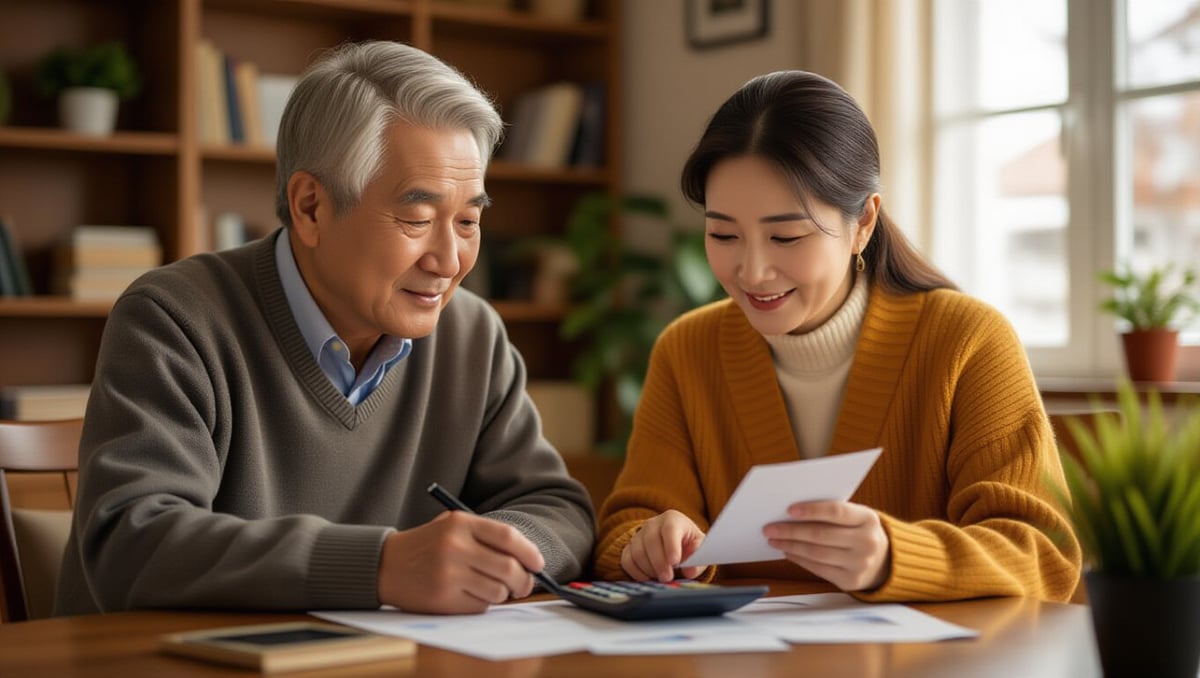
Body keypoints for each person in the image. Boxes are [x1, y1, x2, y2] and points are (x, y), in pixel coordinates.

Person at [54, 41, 594, 617]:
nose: (449, 259)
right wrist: (381, 566)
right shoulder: (174, 318)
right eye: (416, 219)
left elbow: (556, 507)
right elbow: (131, 544)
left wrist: (497, 553)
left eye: (468, 221)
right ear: (311, 207)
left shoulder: (472, 336)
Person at [593, 71, 1081, 602]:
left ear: (864, 223)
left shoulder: (967, 342)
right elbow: (628, 524)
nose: (752, 271)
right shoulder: (687, 350)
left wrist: (896, 557)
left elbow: (1042, 553)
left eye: (786, 236)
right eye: (723, 234)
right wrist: (648, 543)